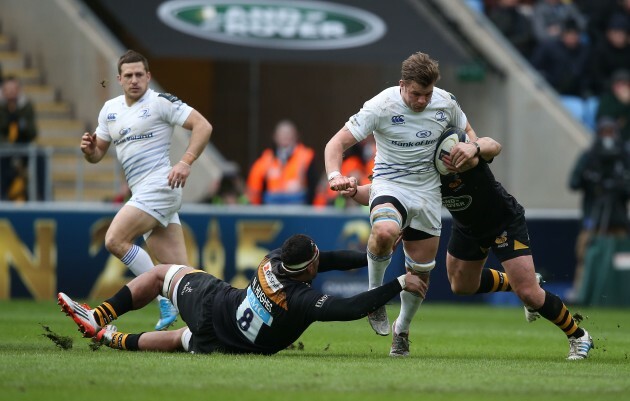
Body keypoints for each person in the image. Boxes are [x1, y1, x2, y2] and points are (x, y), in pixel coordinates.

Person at [344, 127, 595, 360]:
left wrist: (473, 147)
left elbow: (492, 145)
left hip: (503, 223)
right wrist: (354, 190)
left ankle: (578, 335)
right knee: (461, 285)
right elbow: (380, 191)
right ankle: (517, 283)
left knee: (529, 293)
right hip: (467, 228)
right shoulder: (426, 171)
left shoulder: (470, 155)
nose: (451, 162)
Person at [324, 51, 476, 357]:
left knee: (419, 274)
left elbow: (470, 135)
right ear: (401, 84)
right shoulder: (381, 105)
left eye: (427, 94)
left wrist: (467, 148)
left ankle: (402, 329)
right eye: (416, 94)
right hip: (389, 185)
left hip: (429, 193)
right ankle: (375, 297)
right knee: (383, 232)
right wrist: (334, 174)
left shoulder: (445, 102)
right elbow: (335, 143)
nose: (422, 101)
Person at [57, 234, 426, 354]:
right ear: (310, 269)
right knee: (175, 337)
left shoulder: (274, 259)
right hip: (226, 340)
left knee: (159, 276)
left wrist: (374, 256)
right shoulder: (297, 301)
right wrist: (397, 284)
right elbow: (349, 308)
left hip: (218, 306)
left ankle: (103, 319)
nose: (322, 259)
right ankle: (105, 332)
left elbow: (328, 260)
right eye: (317, 260)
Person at [80, 50, 213, 330]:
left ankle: (161, 296)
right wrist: (90, 151)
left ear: (149, 76)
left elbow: (203, 126)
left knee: (115, 239)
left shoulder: (160, 102)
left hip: (161, 185)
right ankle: (212, 323)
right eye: (128, 75)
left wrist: (186, 162)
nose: (134, 80)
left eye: (140, 74)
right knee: (183, 274)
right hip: (144, 193)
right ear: (119, 79)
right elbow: (97, 154)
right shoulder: (110, 110)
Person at [568, 117, 630, 302]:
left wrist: (619, 186)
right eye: (604, 133)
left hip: (618, 221)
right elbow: (573, 183)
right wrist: (592, 180)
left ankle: (621, 295)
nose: (607, 137)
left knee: (623, 259)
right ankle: (582, 294)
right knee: (586, 257)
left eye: (611, 132)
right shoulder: (589, 156)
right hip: (593, 219)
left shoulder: (624, 157)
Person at [530, 18, 596, 129]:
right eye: (568, 34)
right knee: (578, 111)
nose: (571, 37)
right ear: (562, 34)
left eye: (575, 34)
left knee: (591, 108)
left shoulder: (585, 51)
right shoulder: (548, 48)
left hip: (579, 95)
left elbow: (590, 75)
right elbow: (533, 68)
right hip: (554, 93)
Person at [246, 119, 318, 205]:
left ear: (296, 136)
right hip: (271, 206)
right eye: (282, 134)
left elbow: (314, 190)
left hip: (298, 205)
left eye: (288, 134)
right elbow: (254, 190)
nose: (285, 137)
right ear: (275, 137)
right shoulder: (266, 159)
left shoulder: (306, 156)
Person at [0, 75, 38, 201]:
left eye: (14, 89)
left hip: (23, 150)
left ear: (19, 90)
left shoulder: (26, 107)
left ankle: (41, 197)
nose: (11, 92)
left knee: (40, 159)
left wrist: (22, 125)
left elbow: (33, 132)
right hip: (3, 152)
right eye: (8, 89)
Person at [596, 69, 630, 142]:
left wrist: (627, 103)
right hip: (601, 131)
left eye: (624, 84)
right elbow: (602, 116)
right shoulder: (609, 98)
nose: (621, 88)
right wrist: (622, 104)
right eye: (617, 85)